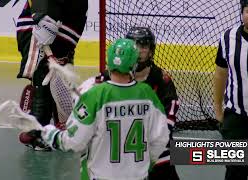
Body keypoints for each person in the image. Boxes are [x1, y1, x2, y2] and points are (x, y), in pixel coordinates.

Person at [11, 38, 170, 179]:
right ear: (134, 64)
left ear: (108, 62)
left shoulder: (94, 94)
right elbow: (161, 139)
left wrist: (49, 133)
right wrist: (145, 166)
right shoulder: (148, 94)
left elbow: (73, 142)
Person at [96, 27, 180, 179]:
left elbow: (167, 123)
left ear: (151, 51)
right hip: (116, 144)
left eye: (143, 46)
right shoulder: (108, 76)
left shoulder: (162, 81)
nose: (138, 50)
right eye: (134, 45)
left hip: (153, 145)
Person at [15, 0, 88, 150]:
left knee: (57, 72)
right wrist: (42, 15)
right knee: (43, 75)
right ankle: (37, 130)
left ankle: (50, 127)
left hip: (59, 22)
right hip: (38, 26)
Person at [213, 0, 248, 179]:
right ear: (242, 13)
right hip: (237, 117)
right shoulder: (228, 38)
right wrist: (218, 108)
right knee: (235, 173)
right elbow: (220, 74)